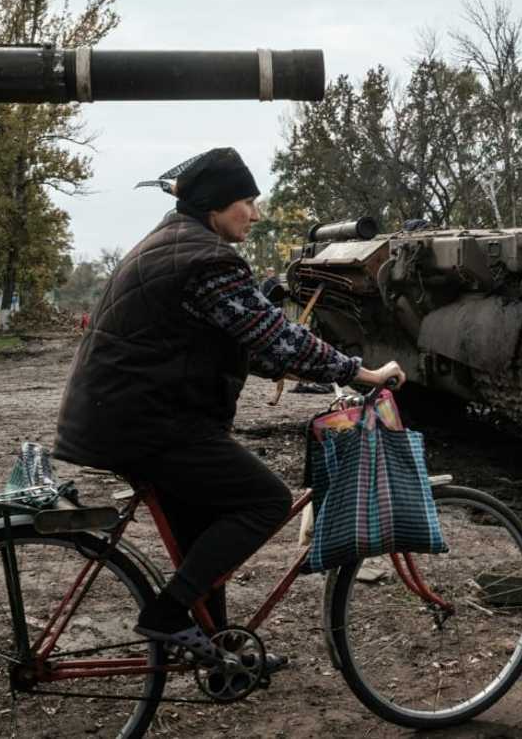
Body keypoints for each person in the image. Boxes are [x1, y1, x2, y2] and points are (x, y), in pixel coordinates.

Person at [53, 147, 405, 664]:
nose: (256, 214)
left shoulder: (171, 243)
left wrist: (282, 356)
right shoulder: (208, 259)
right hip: (148, 424)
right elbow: (277, 338)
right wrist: (359, 371)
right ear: (216, 204)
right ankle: (166, 617)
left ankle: (220, 656)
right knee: (264, 500)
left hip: (121, 416)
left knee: (206, 525)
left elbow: (235, 340)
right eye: (247, 201)